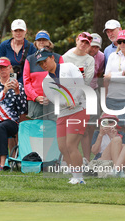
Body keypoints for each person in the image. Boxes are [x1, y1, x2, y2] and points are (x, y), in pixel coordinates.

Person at [37, 48, 89, 185]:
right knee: (62, 147)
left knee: (71, 144)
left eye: (45, 61)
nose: (43, 65)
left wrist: (74, 98)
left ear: (52, 58)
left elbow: (80, 84)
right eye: (40, 63)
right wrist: (66, 102)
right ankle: (74, 176)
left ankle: (79, 178)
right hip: (63, 113)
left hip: (79, 109)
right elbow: (55, 99)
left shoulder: (69, 67)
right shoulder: (46, 82)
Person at [63, 32, 95, 163]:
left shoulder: (90, 60)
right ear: (77, 40)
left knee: (84, 129)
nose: (83, 44)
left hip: (83, 97)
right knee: (67, 129)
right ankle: (67, 159)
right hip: (67, 97)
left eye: (86, 43)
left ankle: (86, 159)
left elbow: (87, 81)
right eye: (82, 41)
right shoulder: (66, 57)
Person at [23, 30, 63, 120]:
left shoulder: (58, 58)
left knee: (54, 129)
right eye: (39, 40)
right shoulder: (30, 59)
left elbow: (62, 79)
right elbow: (26, 82)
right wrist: (36, 97)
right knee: (36, 130)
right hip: (35, 102)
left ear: (49, 43)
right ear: (35, 43)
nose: (41, 42)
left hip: (54, 100)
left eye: (44, 40)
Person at [91, 113, 125, 177]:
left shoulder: (121, 133)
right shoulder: (97, 133)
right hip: (102, 158)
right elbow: (94, 151)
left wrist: (113, 137)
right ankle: (117, 171)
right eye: (105, 122)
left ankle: (116, 170)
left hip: (117, 159)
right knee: (117, 140)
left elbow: (123, 152)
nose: (108, 124)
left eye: (111, 121)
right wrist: (100, 135)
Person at [0, 19, 36, 84]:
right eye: (16, 31)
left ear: (25, 31)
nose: (18, 33)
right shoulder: (4, 45)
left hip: (26, 84)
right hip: (7, 84)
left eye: (21, 30)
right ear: (12, 31)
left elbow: (34, 68)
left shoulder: (31, 47)